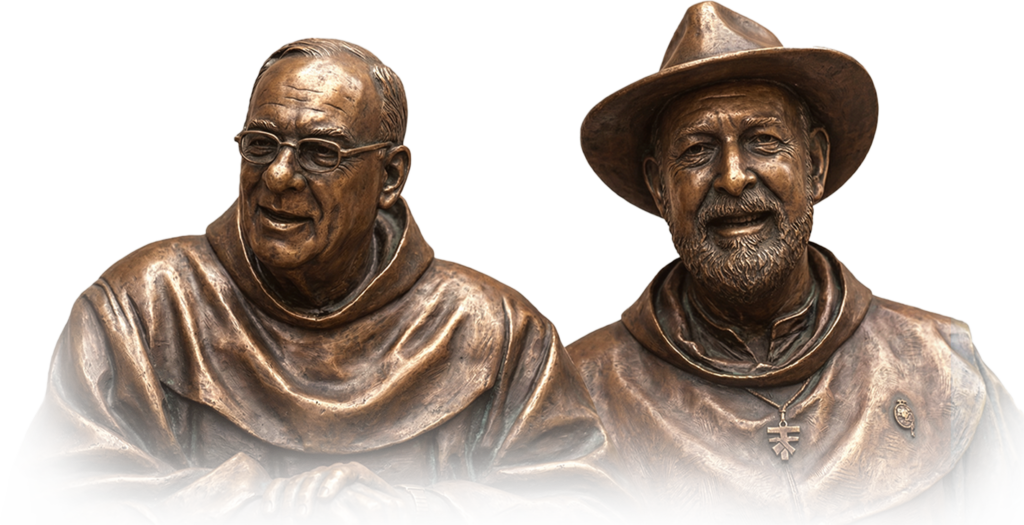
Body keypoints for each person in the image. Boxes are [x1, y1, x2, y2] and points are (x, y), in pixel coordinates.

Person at [1, 38, 644, 525]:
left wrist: (421, 512)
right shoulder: (141, 305)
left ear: (391, 176)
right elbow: (52, 506)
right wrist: (248, 506)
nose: (279, 176)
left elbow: (593, 513)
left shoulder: (495, 330)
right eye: (260, 145)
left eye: (320, 153)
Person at [568, 2, 1023, 523]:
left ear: (816, 163)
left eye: (763, 141)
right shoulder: (580, 397)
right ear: (659, 186)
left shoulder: (943, 367)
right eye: (697, 150)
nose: (732, 177)